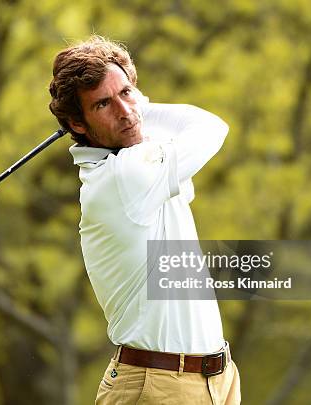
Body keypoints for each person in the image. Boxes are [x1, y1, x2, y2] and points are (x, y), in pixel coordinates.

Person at [49, 35, 241, 404]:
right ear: (78, 123)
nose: (124, 111)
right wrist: (140, 106)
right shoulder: (125, 177)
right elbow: (211, 127)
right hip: (159, 386)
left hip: (212, 380)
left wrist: (124, 104)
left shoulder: (136, 159)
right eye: (103, 104)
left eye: (126, 92)